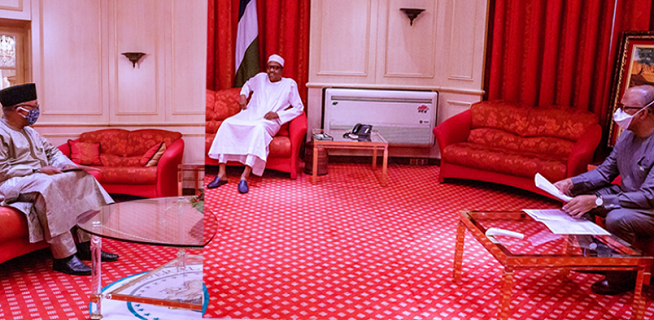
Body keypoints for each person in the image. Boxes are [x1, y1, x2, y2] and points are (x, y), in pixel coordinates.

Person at [0, 83, 118, 276]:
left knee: (81, 178)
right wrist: (37, 169)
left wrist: (66, 165)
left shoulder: (30, 131)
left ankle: (85, 244)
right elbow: (2, 170)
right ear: (18, 110)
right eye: (33, 107)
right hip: (11, 182)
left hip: (38, 176)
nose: (37, 112)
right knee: (47, 184)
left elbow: (52, 152)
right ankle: (64, 257)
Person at [554, 84, 654, 295]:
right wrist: (571, 182)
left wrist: (598, 201)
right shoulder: (627, 136)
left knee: (617, 218)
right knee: (576, 196)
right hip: (626, 196)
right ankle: (598, 258)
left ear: (644, 113)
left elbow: (649, 196)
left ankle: (622, 276)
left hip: (649, 208)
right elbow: (604, 172)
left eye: (625, 107)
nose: (618, 112)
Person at [207, 54, 304, 194]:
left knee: (258, 129)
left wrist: (278, 114)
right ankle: (221, 173)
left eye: (276, 68)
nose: (272, 71)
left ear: (281, 70)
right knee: (227, 123)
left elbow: (299, 108)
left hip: (269, 121)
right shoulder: (260, 78)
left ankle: (244, 176)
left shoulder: (289, 84)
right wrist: (242, 96)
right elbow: (247, 85)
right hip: (250, 113)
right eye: (270, 67)